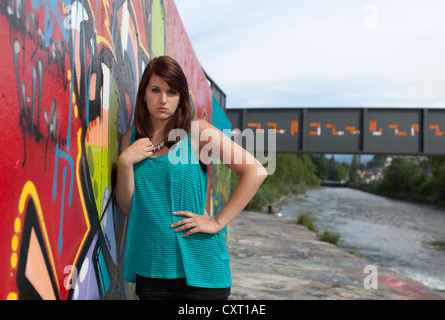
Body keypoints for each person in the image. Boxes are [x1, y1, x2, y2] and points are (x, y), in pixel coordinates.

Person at [115, 56, 267, 300]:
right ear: (143, 94)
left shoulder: (197, 133)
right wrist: (125, 162)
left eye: (172, 92)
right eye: (155, 90)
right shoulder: (129, 141)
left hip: (202, 273)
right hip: (151, 268)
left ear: (180, 98)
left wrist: (217, 222)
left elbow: (255, 170)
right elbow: (128, 207)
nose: (163, 99)